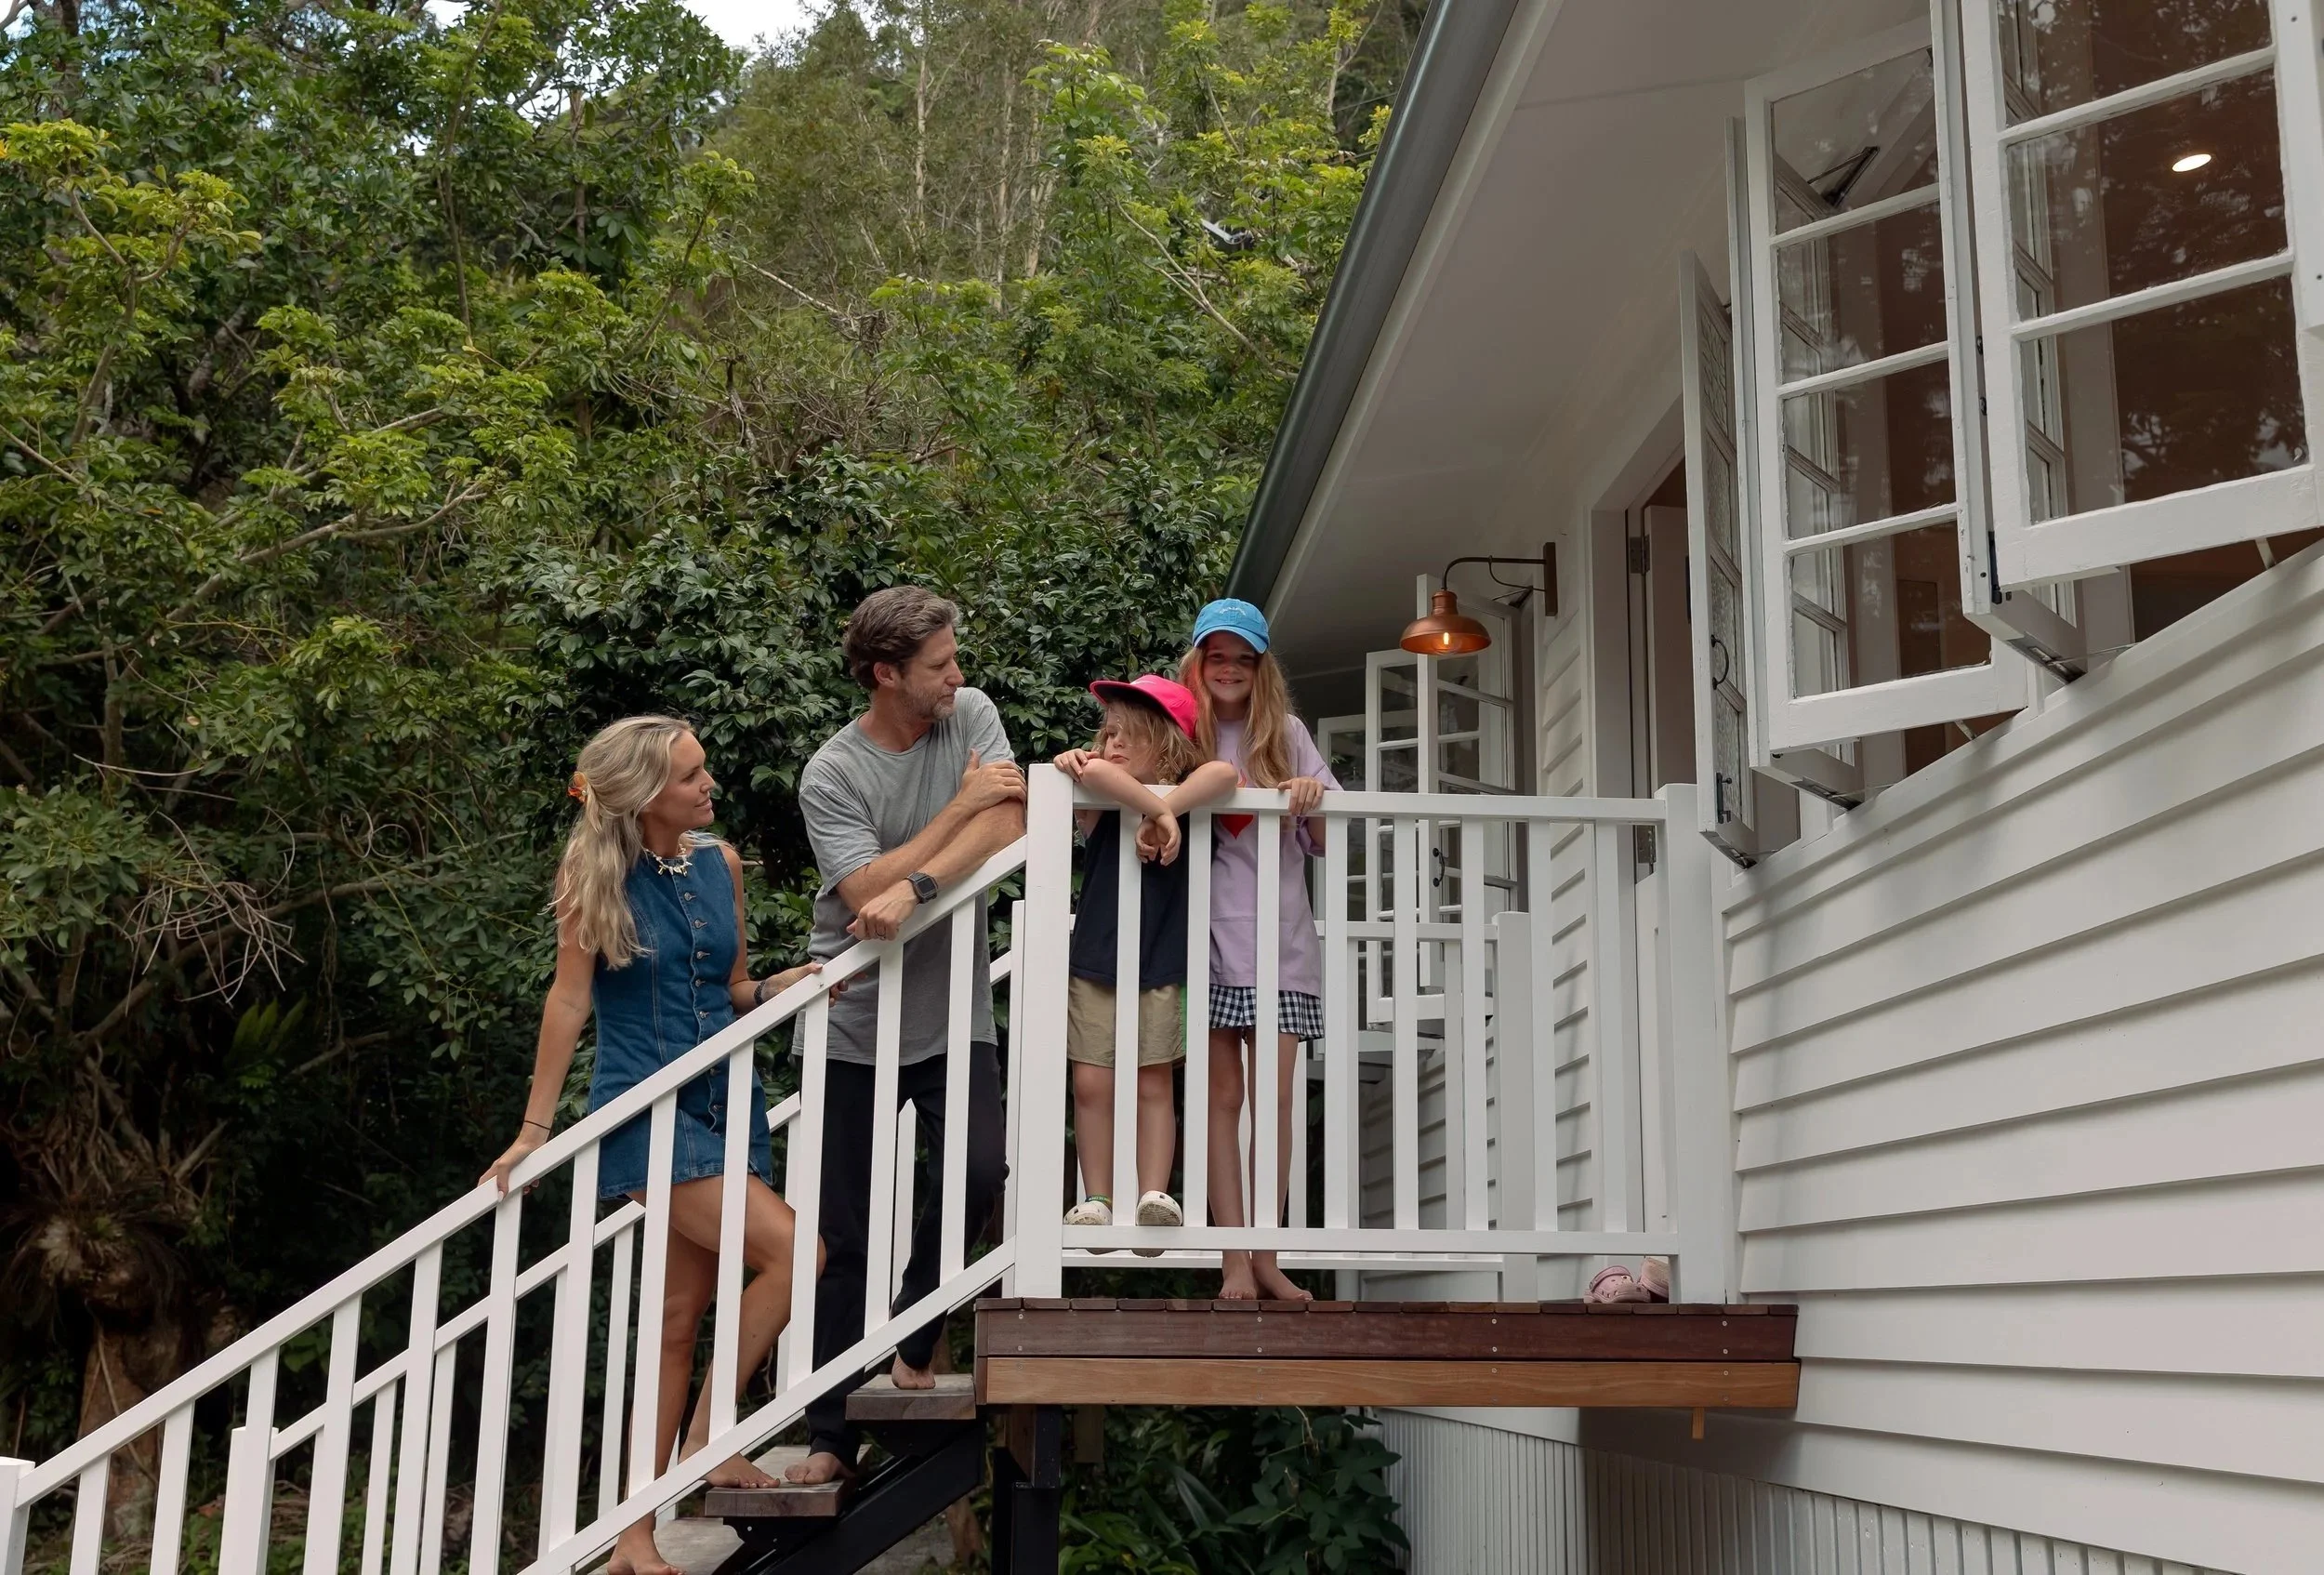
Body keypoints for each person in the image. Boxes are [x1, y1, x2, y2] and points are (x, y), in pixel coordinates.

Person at [482, 716, 823, 1575]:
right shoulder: (593, 875)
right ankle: (710, 1444)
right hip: (646, 1107)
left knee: (675, 1326)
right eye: (689, 778)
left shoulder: (721, 863)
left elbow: (733, 983)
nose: (709, 787)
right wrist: (534, 1130)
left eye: (704, 771)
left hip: (726, 1099)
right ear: (642, 796)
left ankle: (634, 1537)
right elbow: (568, 1003)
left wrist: (774, 986)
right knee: (798, 1254)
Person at [787, 588, 1022, 1486]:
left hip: (954, 1012)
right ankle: (827, 1437)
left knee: (977, 1173)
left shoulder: (972, 713)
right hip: (852, 1019)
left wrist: (918, 885)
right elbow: (859, 893)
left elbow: (1015, 819)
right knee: (839, 1237)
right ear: (887, 675)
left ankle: (915, 1328)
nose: (958, 676)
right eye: (939, 666)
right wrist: (959, 808)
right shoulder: (833, 773)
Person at [1178, 599, 1340, 1303]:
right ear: (1198, 662)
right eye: (1218, 657)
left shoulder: (1290, 735)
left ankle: (1267, 1254)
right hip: (1204, 943)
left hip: (1281, 948)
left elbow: (1329, 838)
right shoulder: (1180, 732)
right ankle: (1232, 1260)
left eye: (1244, 659)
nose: (1230, 670)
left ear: (1261, 668)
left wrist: (1310, 795)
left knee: (1273, 1102)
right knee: (1220, 1099)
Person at [1051, 676, 1239, 1249]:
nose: (1112, 747)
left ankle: (1154, 1196)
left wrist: (1166, 811)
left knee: (1153, 1080)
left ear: (1169, 744)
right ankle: (1098, 1199)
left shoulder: (1191, 794)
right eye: (1107, 734)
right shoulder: (1106, 798)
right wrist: (1156, 812)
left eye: (1130, 737)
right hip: (1096, 961)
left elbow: (1226, 774)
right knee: (1090, 1081)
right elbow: (1100, 774)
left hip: (1163, 962)